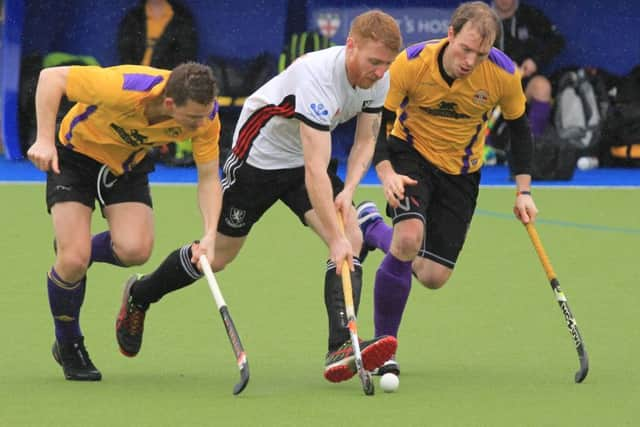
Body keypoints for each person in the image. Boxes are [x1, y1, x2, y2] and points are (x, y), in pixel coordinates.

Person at [117, 10, 403, 384]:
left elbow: (366, 138)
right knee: (218, 257)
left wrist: (348, 192)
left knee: (352, 234)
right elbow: (316, 170)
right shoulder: (318, 77)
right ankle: (141, 294)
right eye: (374, 62)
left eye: (387, 64)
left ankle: (340, 347)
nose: (380, 72)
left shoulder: (378, 80)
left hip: (302, 157)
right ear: (351, 46)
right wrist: (333, 238)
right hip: (259, 157)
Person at [356, 1, 538, 376]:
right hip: (412, 154)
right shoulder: (412, 63)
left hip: (462, 171)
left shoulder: (502, 75)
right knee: (408, 240)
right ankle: (383, 350)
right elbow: (377, 121)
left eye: (481, 54)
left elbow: (520, 131)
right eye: (465, 49)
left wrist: (524, 192)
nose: (471, 61)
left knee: (432, 276)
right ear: (451, 34)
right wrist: (386, 171)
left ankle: (371, 228)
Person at [27, 62, 222, 381]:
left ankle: (75, 250)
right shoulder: (123, 86)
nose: (201, 124)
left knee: (135, 250)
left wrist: (211, 233)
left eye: (205, 114)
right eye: (193, 117)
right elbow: (51, 78)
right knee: (74, 262)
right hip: (75, 156)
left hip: (125, 165)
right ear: (170, 104)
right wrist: (45, 140)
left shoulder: (207, 118)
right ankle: (68, 343)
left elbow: (209, 178)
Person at [492, 0, 565, 138]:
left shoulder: (530, 15)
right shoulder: (481, 19)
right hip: (489, 82)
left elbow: (557, 41)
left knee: (542, 87)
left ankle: (531, 143)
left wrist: (535, 61)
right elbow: (466, 52)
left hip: (523, 79)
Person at [117, 0, 198, 70]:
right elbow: (126, 52)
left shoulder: (182, 18)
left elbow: (186, 54)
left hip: (168, 80)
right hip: (136, 79)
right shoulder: (133, 18)